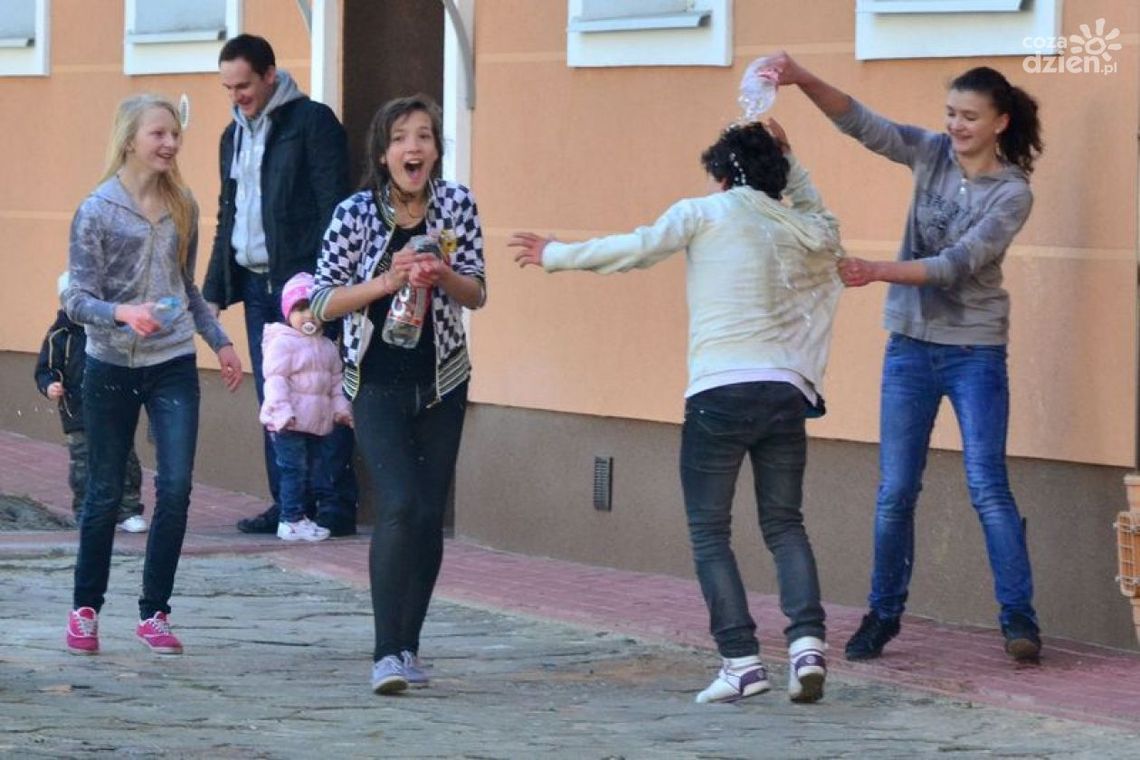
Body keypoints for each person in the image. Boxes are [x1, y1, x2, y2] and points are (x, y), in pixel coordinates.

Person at [510, 119, 843, 704]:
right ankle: (807, 645)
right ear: (777, 174)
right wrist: (793, 161)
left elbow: (636, 248)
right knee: (784, 524)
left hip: (719, 391)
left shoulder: (704, 213)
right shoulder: (799, 226)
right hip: (786, 391)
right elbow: (827, 224)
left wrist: (554, 254)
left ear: (720, 174)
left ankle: (741, 660)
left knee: (709, 532)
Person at [769, 53, 1044, 662]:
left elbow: (956, 266)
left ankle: (1019, 621)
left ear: (1000, 123)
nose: (955, 126)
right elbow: (866, 125)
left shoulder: (1012, 194)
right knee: (895, 491)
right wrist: (804, 77)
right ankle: (882, 616)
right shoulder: (932, 154)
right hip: (910, 351)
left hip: (974, 351)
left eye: (969, 117)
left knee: (987, 487)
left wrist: (874, 271)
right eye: (950, 114)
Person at [311, 94, 486, 695]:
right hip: (376, 381)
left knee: (429, 515)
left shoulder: (457, 205)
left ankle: (410, 646)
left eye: (425, 137)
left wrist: (444, 276)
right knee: (400, 504)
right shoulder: (354, 214)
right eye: (401, 139)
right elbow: (321, 300)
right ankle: (385, 654)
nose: (414, 148)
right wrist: (386, 281)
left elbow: (478, 293)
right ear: (383, 154)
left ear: (436, 149)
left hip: (443, 380)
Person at [64, 94, 243, 656]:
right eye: (158, 134)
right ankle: (86, 609)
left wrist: (221, 341)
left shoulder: (182, 204)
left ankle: (155, 612)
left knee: (177, 487)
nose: (170, 144)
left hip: (171, 364)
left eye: (174, 135)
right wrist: (122, 313)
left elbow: (185, 288)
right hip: (110, 364)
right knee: (103, 492)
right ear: (129, 140)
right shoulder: (96, 210)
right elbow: (75, 298)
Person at [203, 33, 358, 537]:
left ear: (271, 74)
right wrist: (216, 281)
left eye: (243, 85)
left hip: (303, 285)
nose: (236, 96)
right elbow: (230, 211)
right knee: (275, 398)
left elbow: (333, 206)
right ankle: (288, 504)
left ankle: (332, 505)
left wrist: (317, 284)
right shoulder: (233, 134)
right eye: (228, 88)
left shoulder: (312, 123)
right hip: (253, 282)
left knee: (319, 389)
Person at [36, 272, 148, 533]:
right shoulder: (59, 336)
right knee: (83, 463)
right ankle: (86, 510)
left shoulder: (111, 328)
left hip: (114, 410)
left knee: (123, 458)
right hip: (76, 412)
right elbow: (45, 368)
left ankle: (128, 510)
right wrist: (49, 384)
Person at [260, 272, 354, 542]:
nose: (308, 316)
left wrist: (342, 410)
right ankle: (289, 520)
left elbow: (336, 383)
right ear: (288, 313)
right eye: (300, 309)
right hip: (288, 423)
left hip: (315, 424)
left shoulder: (326, 346)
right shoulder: (283, 343)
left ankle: (301, 517)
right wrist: (281, 412)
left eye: (313, 309)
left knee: (311, 472)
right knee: (293, 471)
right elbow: (275, 380)